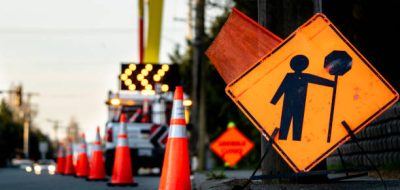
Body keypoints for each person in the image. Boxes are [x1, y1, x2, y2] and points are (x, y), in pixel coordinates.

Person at [270, 55, 335, 141]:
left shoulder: (305, 76)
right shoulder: (289, 76)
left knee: (297, 127)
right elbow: (281, 88)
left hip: (299, 105)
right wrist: (273, 101)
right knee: (284, 126)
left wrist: (332, 83)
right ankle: (283, 139)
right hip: (288, 105)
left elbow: (317, 80)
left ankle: (296, 142)